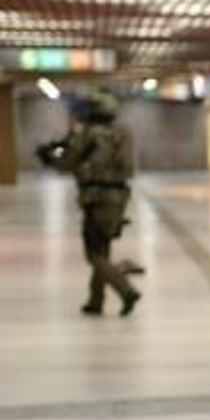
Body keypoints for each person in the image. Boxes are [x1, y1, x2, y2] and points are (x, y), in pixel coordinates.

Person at [51, 89, 141, 316]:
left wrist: (50, 156)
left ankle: (126, 289)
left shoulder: (88, 134)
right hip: (119, 198)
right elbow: (129, 168)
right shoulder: (123, 133)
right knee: (103, 250)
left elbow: (67, 163)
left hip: (95, 199)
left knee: (94, 255)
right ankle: (95, 300)